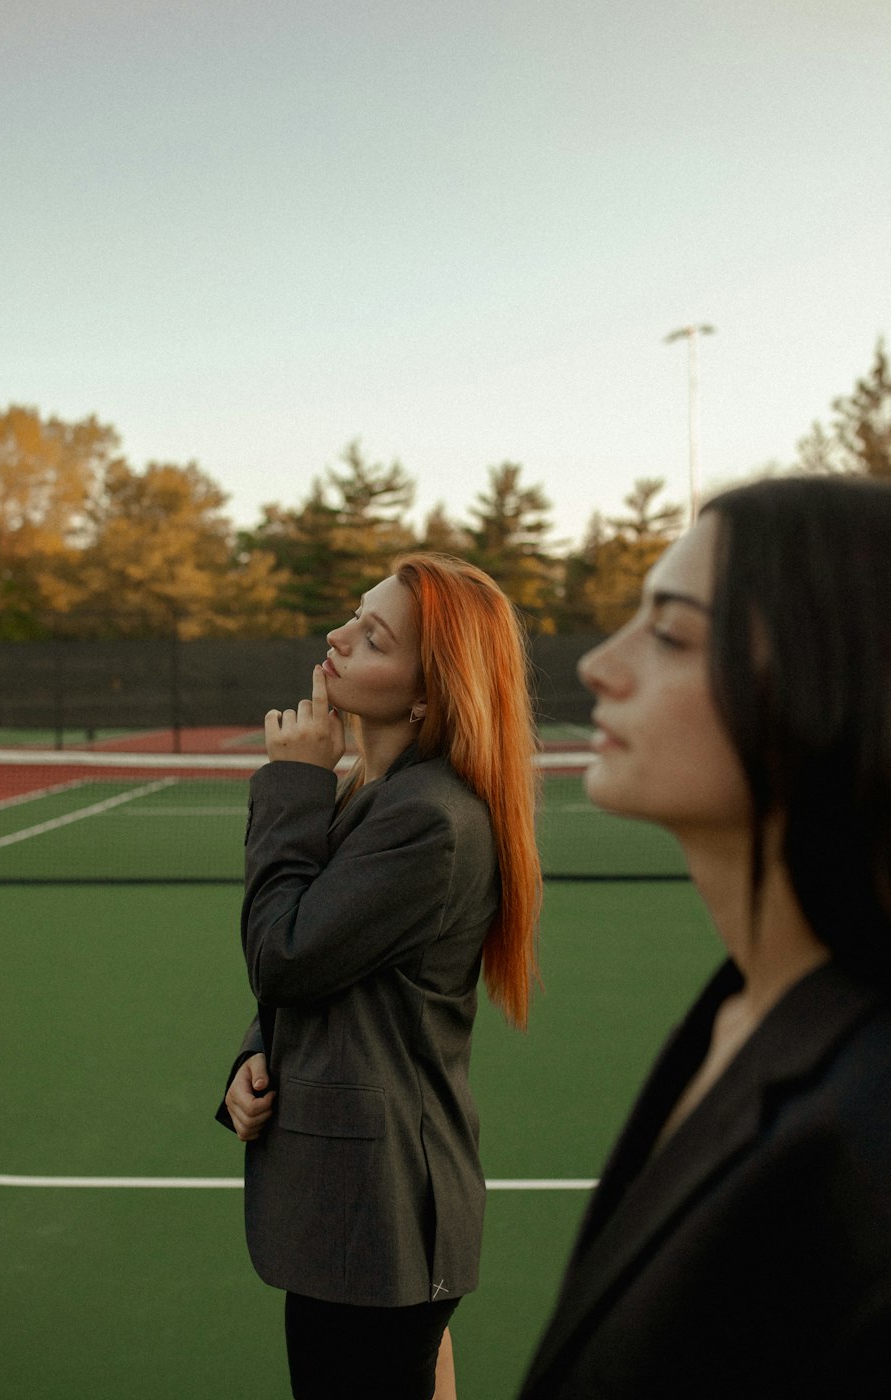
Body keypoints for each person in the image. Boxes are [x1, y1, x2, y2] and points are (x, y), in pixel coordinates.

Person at [518, 475, 891, 1398]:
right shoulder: (740, 1009)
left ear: (831, 681)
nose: (599, 665)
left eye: (674, 633)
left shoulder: (872, 1141)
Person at [217, 553, 542, 1400]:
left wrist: (292, 782)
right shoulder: (377, 790)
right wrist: (257, 1055)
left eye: (372, 637)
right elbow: (340, 970)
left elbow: (284, 954)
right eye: (353, 618)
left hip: (377, 1218)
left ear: (428, 693)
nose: (337, 638)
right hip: (362, 1218)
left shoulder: (426, 819)